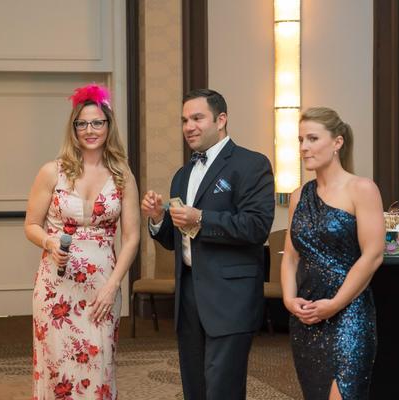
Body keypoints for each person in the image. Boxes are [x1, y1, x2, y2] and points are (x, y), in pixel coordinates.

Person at [140, 89, 275, 400]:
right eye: (185, 120)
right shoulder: (182, 175)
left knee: (222, 390)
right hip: (189, 295)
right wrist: (158, 219)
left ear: (221, 119)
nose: (189, 126)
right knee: (195, 389)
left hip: (230, 296)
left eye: (197, 118)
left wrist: (200, 217)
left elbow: (256, 227)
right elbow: (178, 240)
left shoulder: (251, 164)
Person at [25, 83, 140, 399]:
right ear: (73, 128)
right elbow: (32, 225)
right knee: (57, 368)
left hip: (102, 284)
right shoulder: (52, 172)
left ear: (108, 125)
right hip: (57, 286)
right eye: (82, 123)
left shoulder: (122, 175)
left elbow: (131, 238)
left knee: (99, 365)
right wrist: (50, 244)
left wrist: (113, 286)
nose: (90, 130)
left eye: (97, 123)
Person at [280, 107, 385, 400]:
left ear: (337, 142)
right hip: (306, 316)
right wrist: (289, 300)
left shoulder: (362, 189)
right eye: (300, 140)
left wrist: (335, 304)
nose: (304, 147)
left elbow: (373, 255)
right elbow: (290, 256)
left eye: (312, 138)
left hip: (349, 314)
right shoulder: (298, 195)